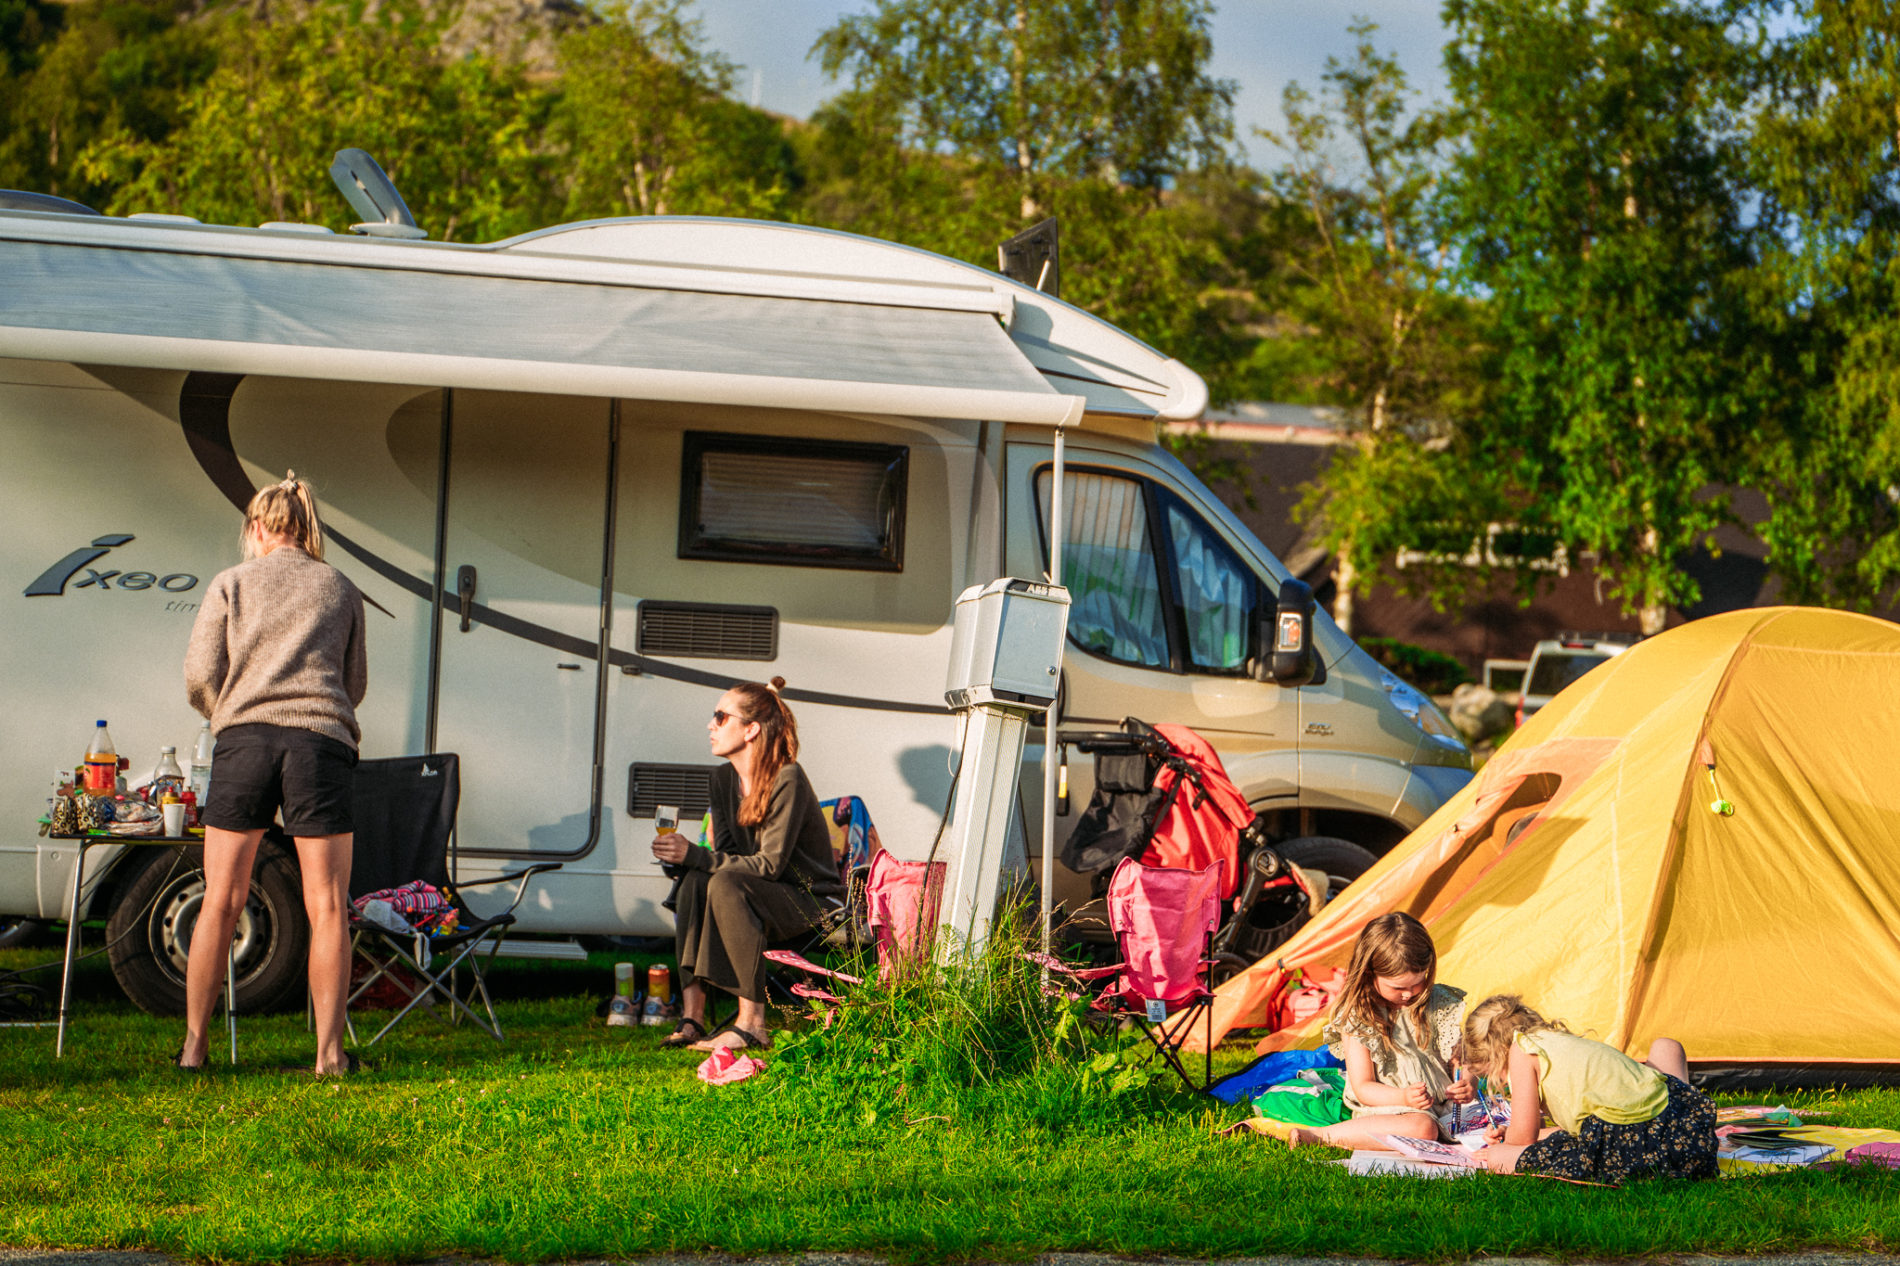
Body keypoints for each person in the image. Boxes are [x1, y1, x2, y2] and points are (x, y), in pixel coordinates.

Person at [179, 473, 367, 1075]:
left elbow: (199, 673)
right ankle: (329, 1056)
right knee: (328, 906)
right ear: (307, 528)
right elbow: (353, 682)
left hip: (246, 744)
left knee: (221, 902)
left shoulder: (231, 582)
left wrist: (231, 715)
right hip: (320, 744)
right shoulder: (341, 587)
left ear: (257, 529)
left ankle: (194, 1049)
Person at [651, 678, 842, 1053]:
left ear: (751, 729)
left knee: (723, 884)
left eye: (720, 717)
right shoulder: (723, 779)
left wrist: (695, 854)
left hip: (811, 904)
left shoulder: (788, 777)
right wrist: (683, 862)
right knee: (694, 881)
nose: (711, 724)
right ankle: (693, 1019)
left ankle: (752, 1024)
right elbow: (724, 854)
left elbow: (770, 865)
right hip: (758, 896)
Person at [1462, 994, 1716, 1182]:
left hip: (1636, 1149)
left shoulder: (1521, 1050)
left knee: (1498, 1159)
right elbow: (1578, 1127)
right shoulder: (1556, 1043)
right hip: (1687, 1134)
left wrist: (1504, 1144)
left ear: (1496, 1056)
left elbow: (1522, 1139)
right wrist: (1519, 1131)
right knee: (1665, 1046)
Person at [1274, 912, 1474, 1148]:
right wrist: (1403, 1098)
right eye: (1398, 987)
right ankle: (1321, 1137)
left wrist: (1468, 1082)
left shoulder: (1439, 1001)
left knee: (1501, 1118)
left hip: (1447, 1107)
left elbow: (1460, 1060)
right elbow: (1363, 1087)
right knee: (1423, 1128)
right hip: (1391, 1107)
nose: (1409, 993)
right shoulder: (1359, 1015)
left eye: (1418, 982)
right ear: (1370, 974)